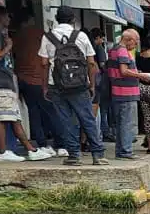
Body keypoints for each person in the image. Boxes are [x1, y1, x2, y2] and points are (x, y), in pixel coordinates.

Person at [0, 5, 46, 162]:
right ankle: (3, 151)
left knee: (12, 116)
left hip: (2, 80)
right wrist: (8, 46)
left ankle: (30, 150)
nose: (9, 19)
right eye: (7, 16)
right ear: (0, 17)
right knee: (3, 116)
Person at [40, 8, 103, 165]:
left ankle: (74, 155)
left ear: (56, 18)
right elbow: (91, 63)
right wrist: (92, 84)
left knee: (66, 120)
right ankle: (98, 155)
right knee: (87, 118)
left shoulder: (47, 37)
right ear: (73, 19)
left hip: (56, 86)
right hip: (80, 85)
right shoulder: (81, 36)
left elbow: (44, 64)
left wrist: (45, 87)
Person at [11, 7, 63, 156]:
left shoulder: (16, 37)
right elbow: (47, 58)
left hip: (22, 79)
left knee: (33, 111)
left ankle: (41, 143)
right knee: (51, 111)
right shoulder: (39, 33)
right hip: (38, 79)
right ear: (30, 20)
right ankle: (60, 143)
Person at [106, 27, 150, 159]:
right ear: (128, 39)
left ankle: (121, 151)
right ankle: (125, 151)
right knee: (127, 123)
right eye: (135, 42)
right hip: (126, 92)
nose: (136, 45)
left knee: (121, 123)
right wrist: (140, 75)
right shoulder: (122, 51)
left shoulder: (113, 49)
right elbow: (124, 71)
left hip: (118, 91)